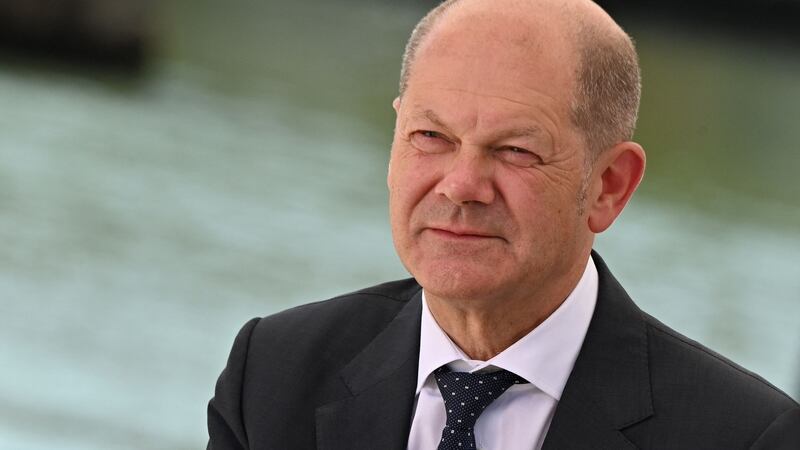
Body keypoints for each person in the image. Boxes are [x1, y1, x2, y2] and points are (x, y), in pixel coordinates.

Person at [207, 0, 800, 448]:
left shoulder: (748, 437)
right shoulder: (271, 374)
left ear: (609, 186)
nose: (461, 185)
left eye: (516, 150)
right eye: (431, 137)